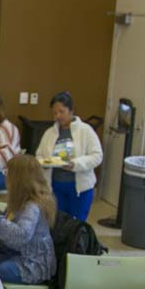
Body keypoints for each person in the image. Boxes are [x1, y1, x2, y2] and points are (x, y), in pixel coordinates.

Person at [0, 155, 57, 285]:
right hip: (16, 252)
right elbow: (14, 223)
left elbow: (21, 235)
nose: (5, 176)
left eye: (7, 172)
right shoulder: (22, 198)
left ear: (18, 178)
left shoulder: (33, 205)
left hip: (32, 264)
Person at [36, 92, 103, 221]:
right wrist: (44, 162)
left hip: (79, 187)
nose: (58, 116)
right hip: (55, 186)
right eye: (54, 113)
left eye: (61, 112)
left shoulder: (85, 130)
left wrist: (75, 164)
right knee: (58, 222)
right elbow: (39, 155)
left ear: (71, 110)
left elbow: (97, 156)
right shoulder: (50, 133)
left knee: (77, 224)